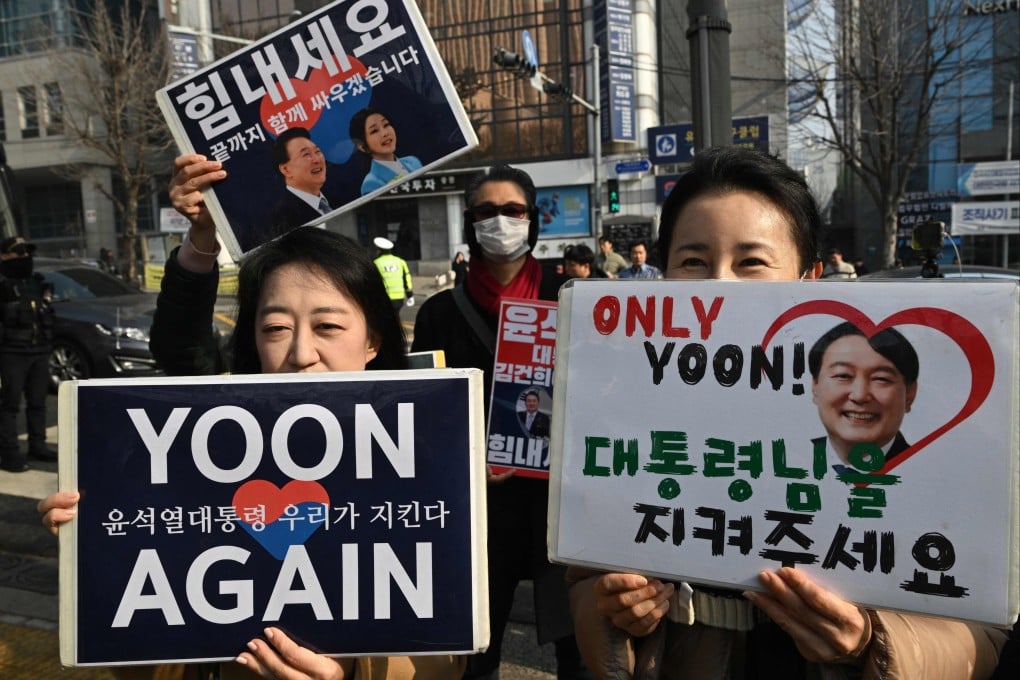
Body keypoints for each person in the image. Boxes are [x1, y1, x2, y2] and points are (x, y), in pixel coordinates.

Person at [568, 146, 1006, 680]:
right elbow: (587, 580)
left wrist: (872, 642)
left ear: (809, 277)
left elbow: (983, 633)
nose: (719, 285)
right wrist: (614, 612)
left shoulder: (894, 422)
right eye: (693, 261)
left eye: (751, 262)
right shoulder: (624, 425)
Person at [38, 153, 463, 680]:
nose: (301, 351)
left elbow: (446, 653)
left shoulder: (430, 467)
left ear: (374, 338)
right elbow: (155, 657)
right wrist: (98, 559)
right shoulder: (202, 455)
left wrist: (350, 673)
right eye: (276, 328)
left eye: (328, 327)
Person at [412, 165, 590, 679]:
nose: (499, 221)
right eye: (485, 212)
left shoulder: (574, 297)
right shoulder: (439, 313)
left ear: (533, 220)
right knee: (477, 650)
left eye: (512, 210)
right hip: (481, 507)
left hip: (562, 500)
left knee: (576, 649)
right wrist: (465, 460)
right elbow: (428, 411)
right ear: (470, 222)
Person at [809, 321, 918, 470]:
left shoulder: (925, 472)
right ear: (815, 386)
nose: (859, 395)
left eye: (881, 379)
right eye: (843, 375)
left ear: (909, 394)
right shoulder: (793, 460)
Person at [0, 236, 56, 473]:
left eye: (28, 252)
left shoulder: (36, 282)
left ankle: (38, 446)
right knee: (10, 405)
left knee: (37, 403)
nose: (25, 257)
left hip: (38, 351)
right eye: (19, 251)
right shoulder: (2, 285)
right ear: (4, 256)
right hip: (12, 353)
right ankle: (10, 454)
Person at [268, 127, 333, 237]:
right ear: (286, 169)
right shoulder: (284, 218)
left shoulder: (334, 200)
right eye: (306, 154)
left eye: (317, 151)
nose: (317, 159)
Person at [349, 107, 422, 196]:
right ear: (363, 147)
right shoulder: (371, 184)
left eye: (386, 125)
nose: (385, 133)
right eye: (374, 131)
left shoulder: (413, 161)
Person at [373, 236, 414, 312]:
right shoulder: (400, 262)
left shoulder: (376, 263)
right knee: (396, 318)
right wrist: (410, 295)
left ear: (379, 250)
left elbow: (373, 282)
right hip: (399, 298)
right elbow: (406, 279)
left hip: (384, 298)